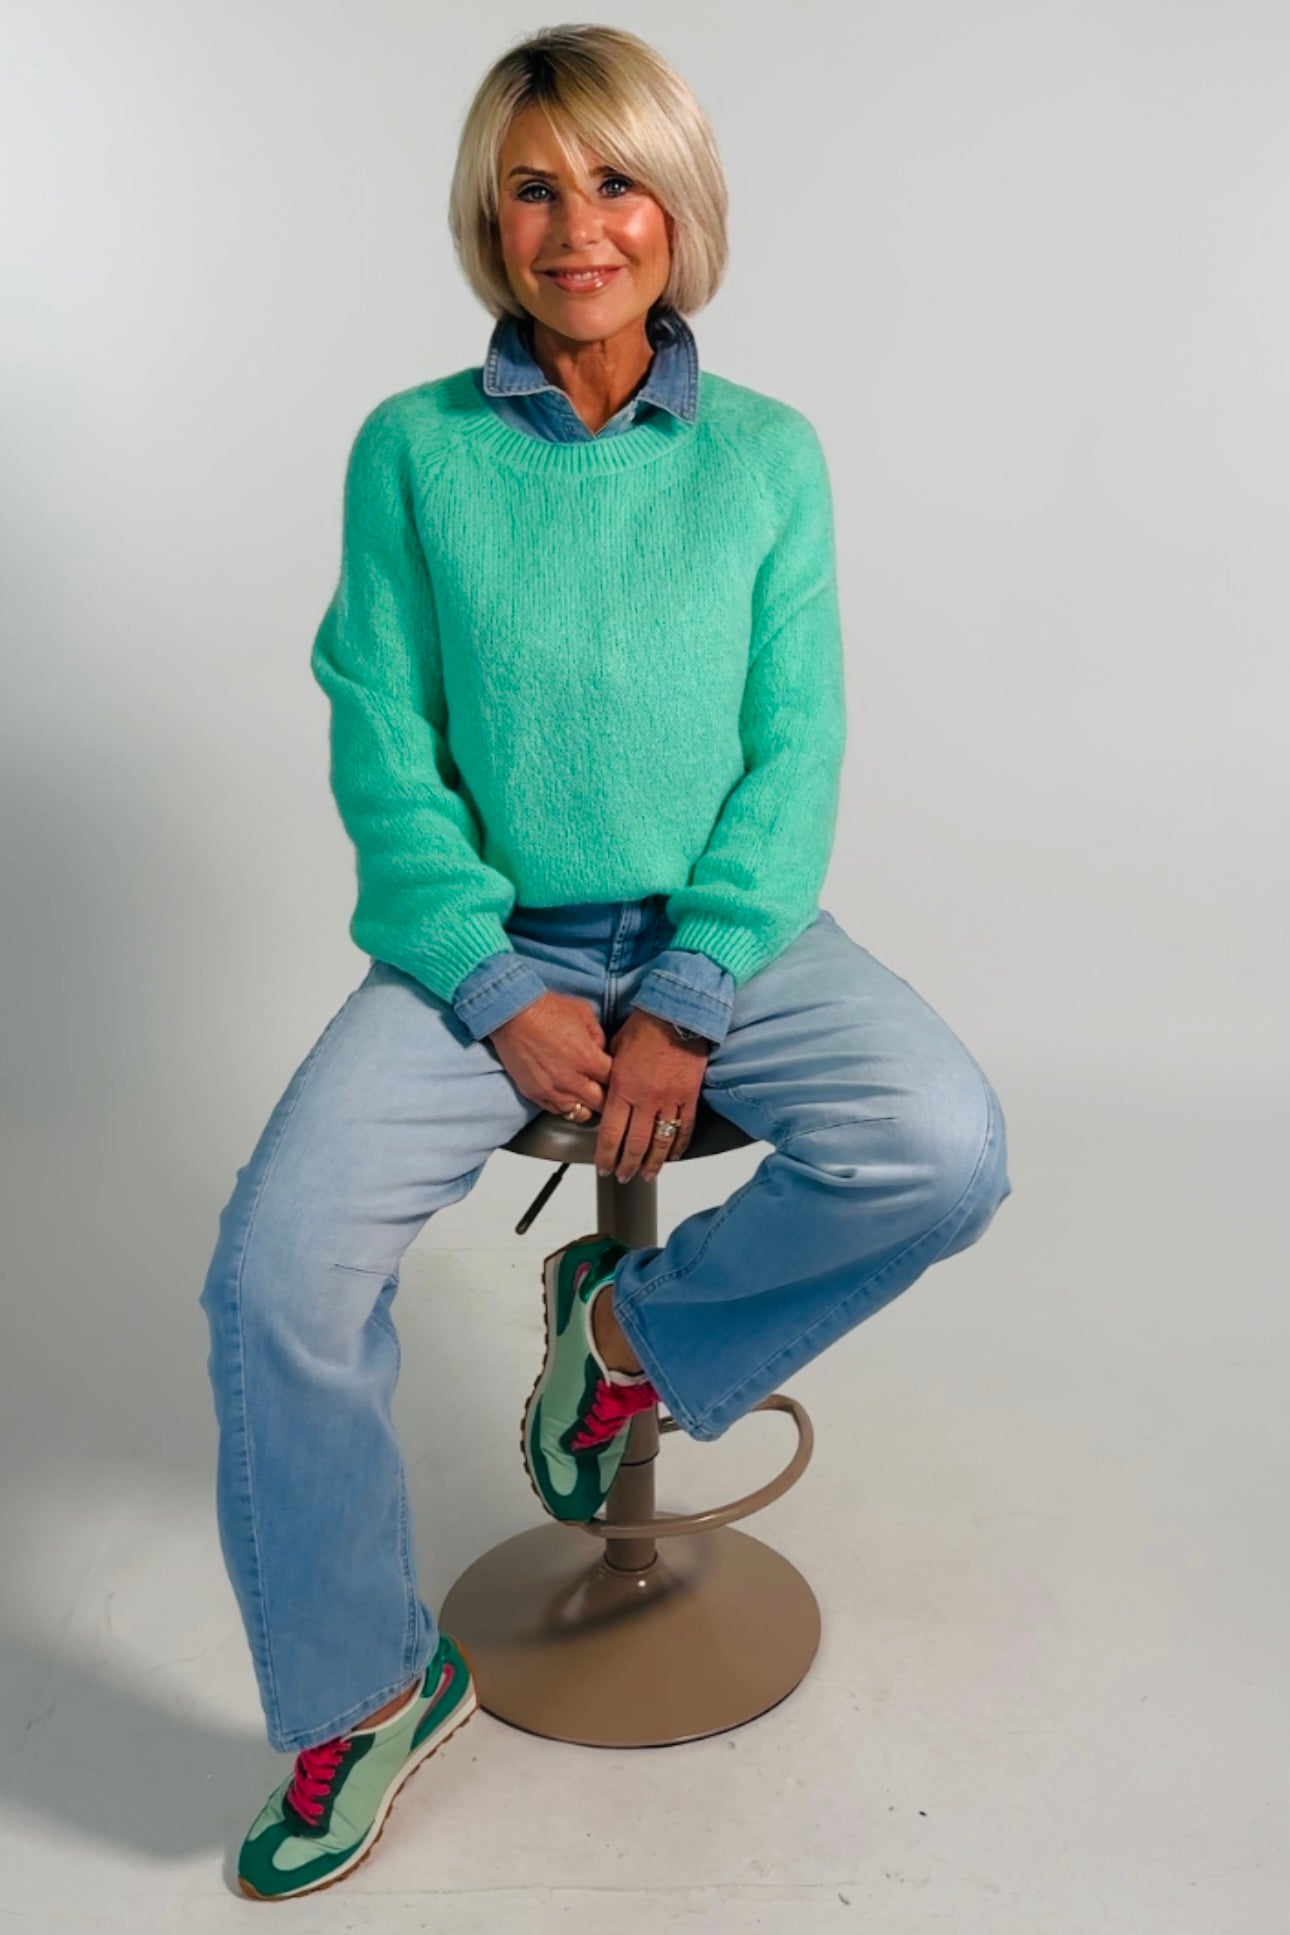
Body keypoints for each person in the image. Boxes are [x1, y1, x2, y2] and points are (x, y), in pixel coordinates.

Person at [199, 22, 1013, 1903]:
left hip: (732, 930)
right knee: (271, 1276)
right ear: (487, 217)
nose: (579, 227)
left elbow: (792, 752)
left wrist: (696, 992)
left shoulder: (767, 458)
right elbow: (380, 738)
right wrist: (491, 985)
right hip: (481, 944)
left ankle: (628, 1337)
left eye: (618, 181)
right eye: (533, 188)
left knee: (945, 1146)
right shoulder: (413, 450)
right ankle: (366, 1687)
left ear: (679, 205)